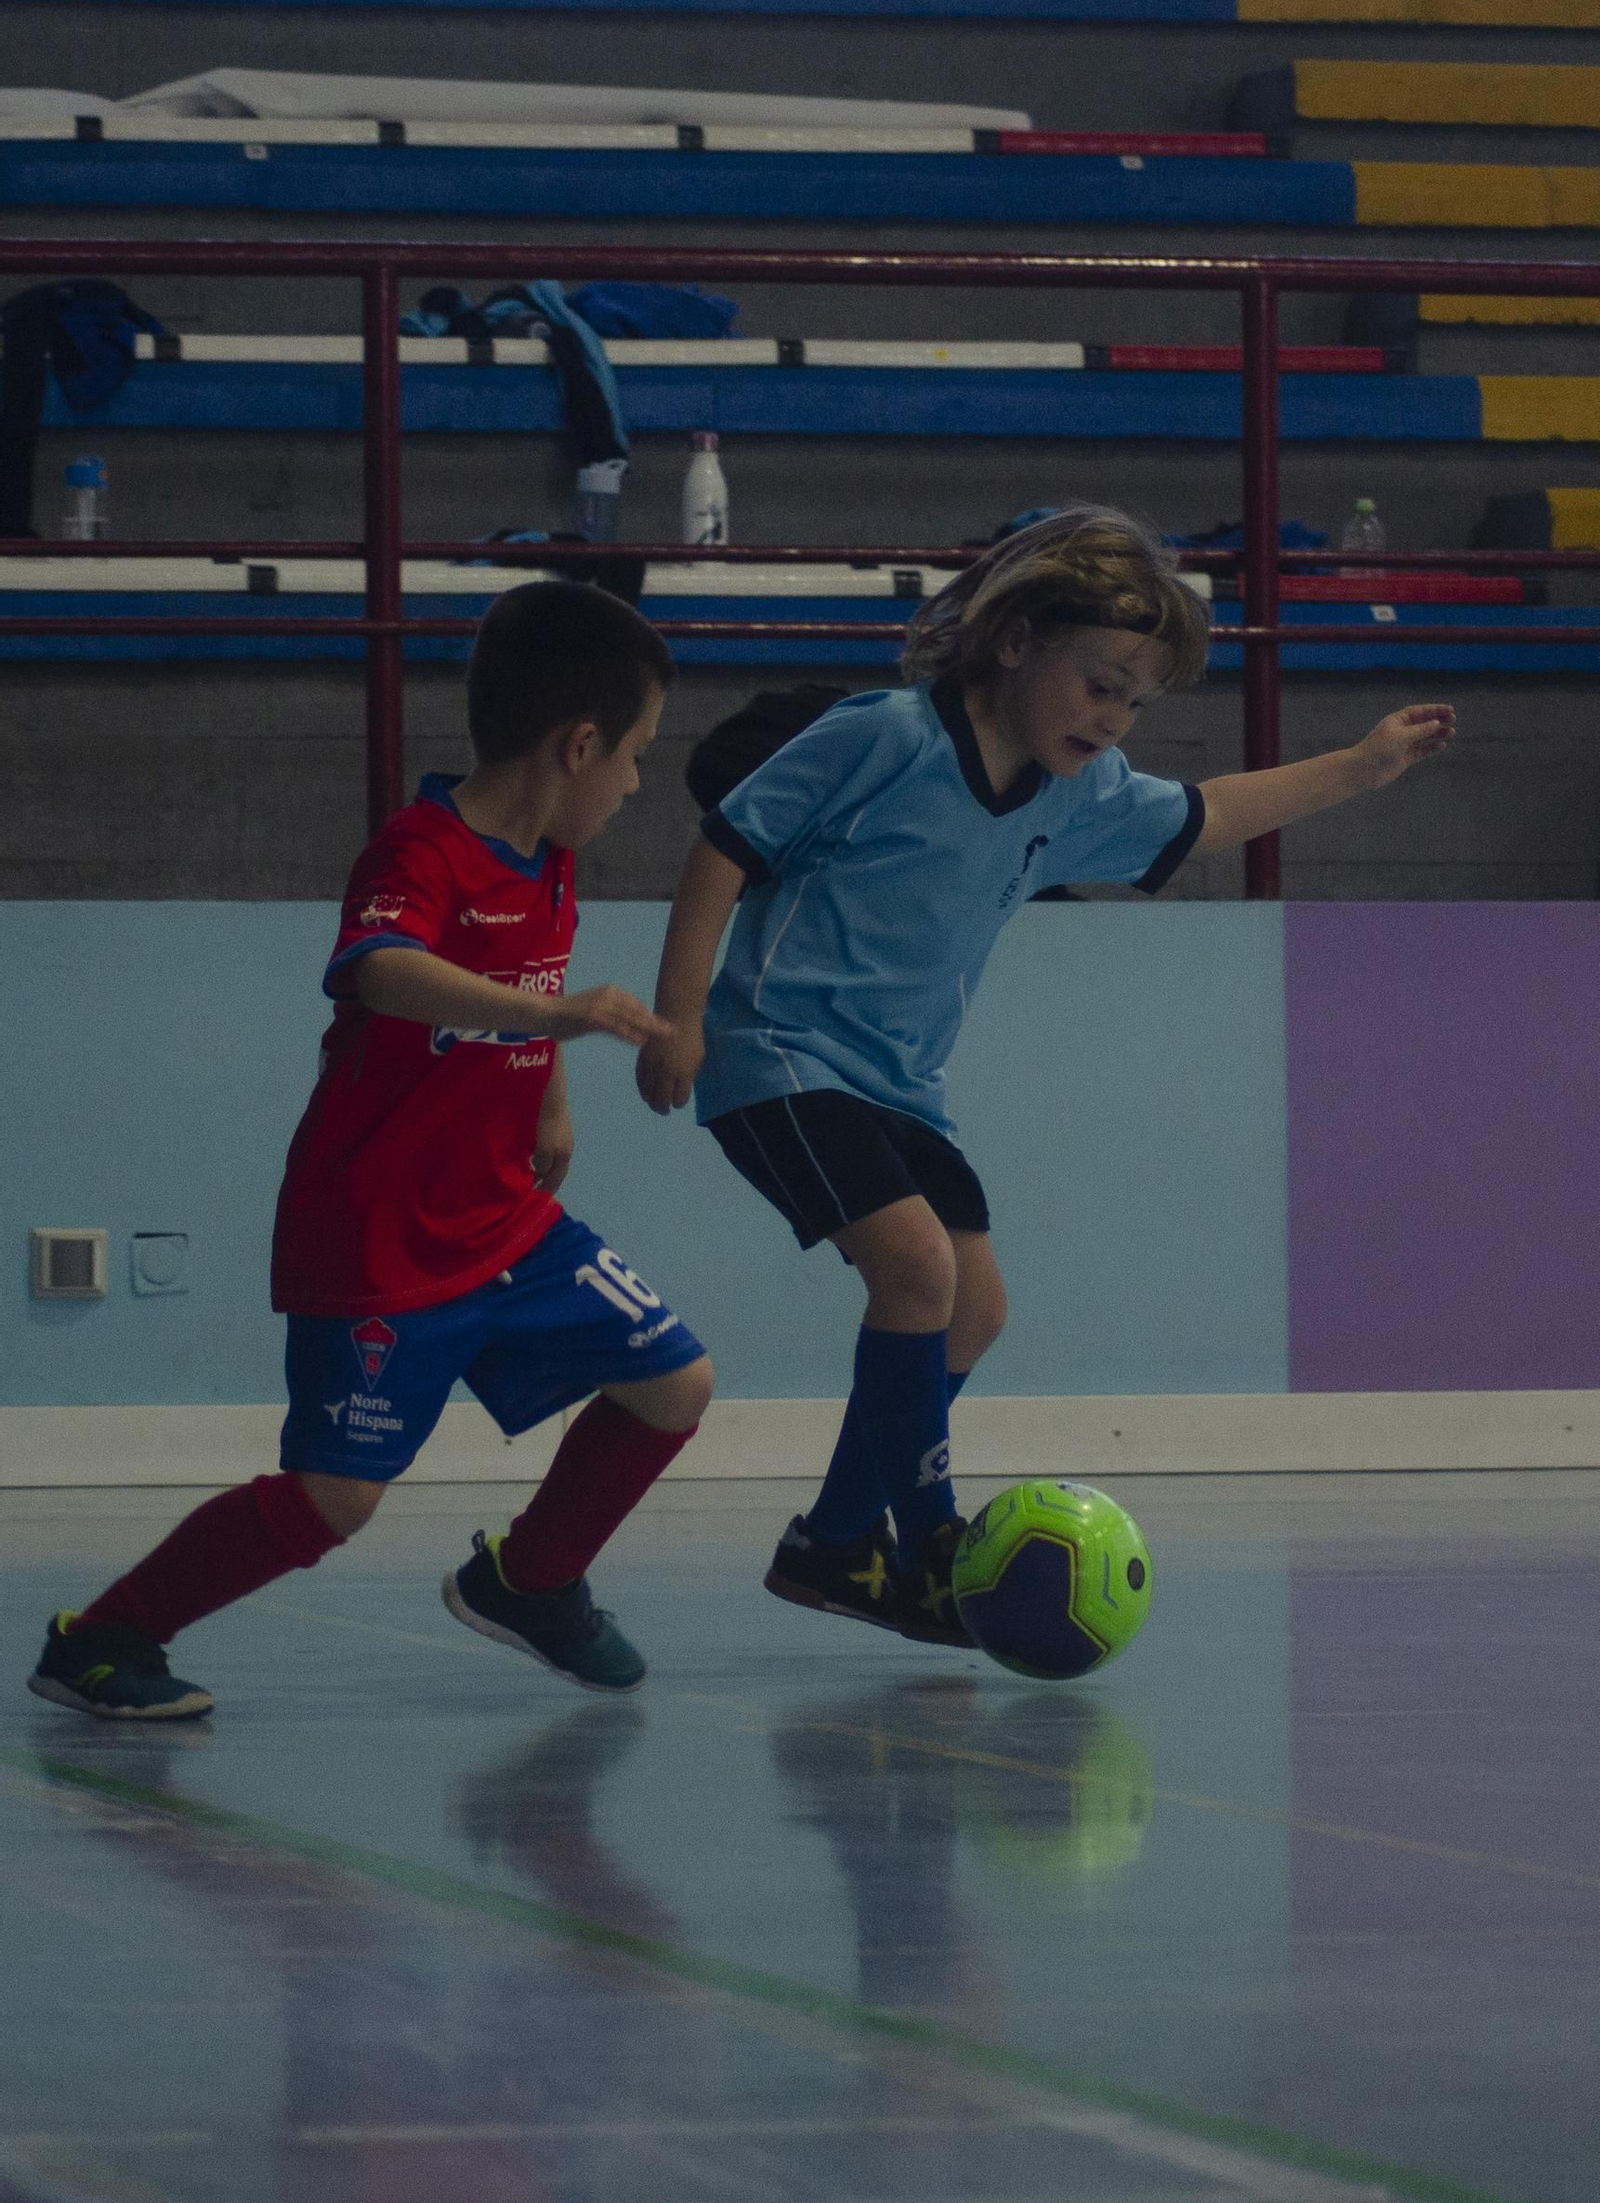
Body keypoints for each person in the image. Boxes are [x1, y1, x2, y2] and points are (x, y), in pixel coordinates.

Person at [636, 504, 1454, 1645]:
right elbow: (727, 842)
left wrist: (1360, 769)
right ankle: (931, 1547)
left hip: (900, 1089)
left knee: (975, 1309)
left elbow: (1209, 812)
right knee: (917, 1268)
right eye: (1100, 684)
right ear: (1015, 641)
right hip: (779, 1053)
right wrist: (678, 1018)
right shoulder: (885, 736)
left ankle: (832, 1541)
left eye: (1136, 702)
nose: (1113, 718)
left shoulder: (1080, 793)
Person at [30, 581, 713, 1720]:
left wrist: (548, 1094)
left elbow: (527, 972)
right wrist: (555, 1020)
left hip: (504, 1218)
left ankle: (532, 1580)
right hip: (376, 1234)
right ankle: (102, 1639)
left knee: (673, 1380)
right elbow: (382, 970)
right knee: (335, 1499)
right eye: (638, 755)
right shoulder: (419, 848)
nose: (638, 783)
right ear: (579, 744)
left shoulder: (549, 856)